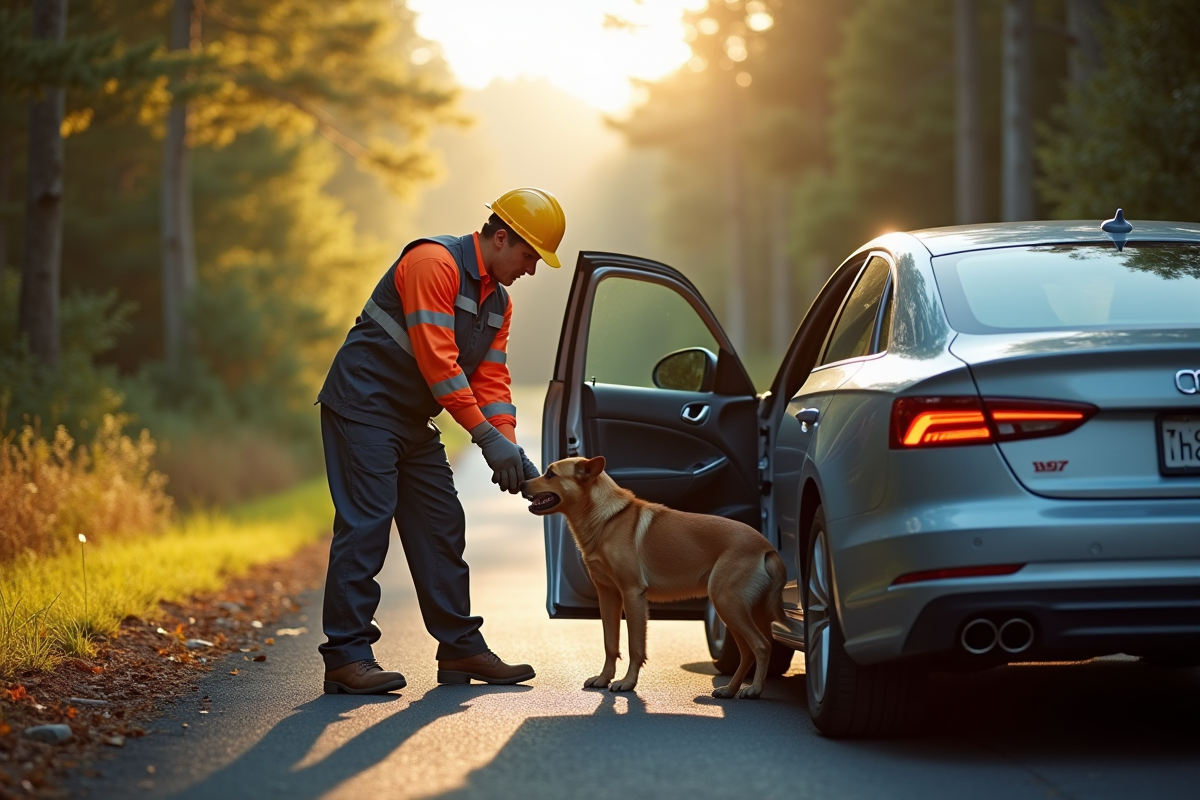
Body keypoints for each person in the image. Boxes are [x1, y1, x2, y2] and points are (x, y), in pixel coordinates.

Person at [315, 188, 565, 694]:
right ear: (500, 238)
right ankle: (346, 656)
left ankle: (460, 648)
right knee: (367, 524)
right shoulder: (434, 262)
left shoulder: (499, 301)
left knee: (441, 523)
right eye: (529, 256)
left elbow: (491, 379)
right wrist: (484, 439)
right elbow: (438, 364)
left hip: (408, 419)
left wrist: (508, 447)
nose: (532, 269)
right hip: (363, 404)